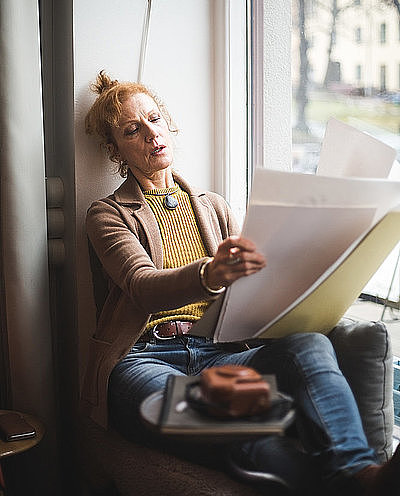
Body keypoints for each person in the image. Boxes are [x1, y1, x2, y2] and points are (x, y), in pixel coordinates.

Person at [82, 70, 399, 496]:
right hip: (146, 358)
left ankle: (363, 474)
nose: (150, 134)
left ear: (168, 122)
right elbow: (142, 285)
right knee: (243, 422)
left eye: (155, 119)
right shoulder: (107, 214)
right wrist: (209, 274)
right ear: (114, 148)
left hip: (217, 356)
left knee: (310, 345)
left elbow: (253, 287)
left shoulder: (214, 206)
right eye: (131, 130)